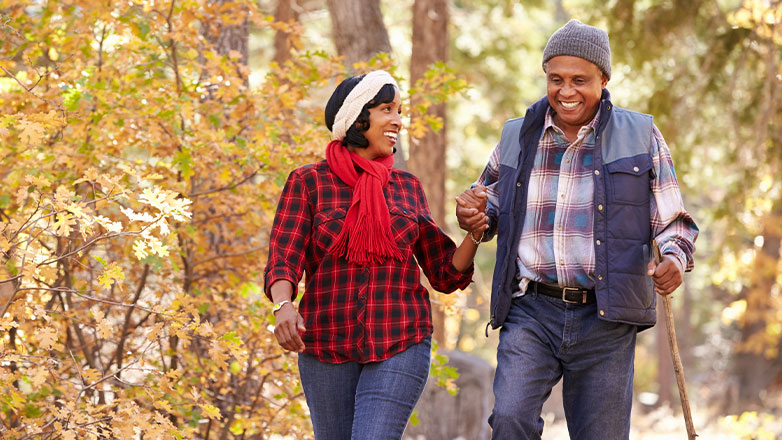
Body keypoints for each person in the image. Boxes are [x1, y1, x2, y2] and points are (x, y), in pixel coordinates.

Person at [455, 19, 699, 439]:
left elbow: (673, 221)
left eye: (579, 80)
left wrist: (675, 258)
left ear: (603, 79)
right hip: (531, 309)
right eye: (556, 79)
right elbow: (490, 204)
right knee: (510, 419)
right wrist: (473, 214)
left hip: (606, 315)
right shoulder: (517, 135)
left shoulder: (640, 135)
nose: (566, 92)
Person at [264, 70, 486, 440]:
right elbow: (283, 255)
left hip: (401, 339)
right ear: (357, 118)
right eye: (387, 109)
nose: (398, 120)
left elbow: (444, 273)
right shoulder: (308, 182)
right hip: (325, 343)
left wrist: (475, 235)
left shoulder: (407, 187)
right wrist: (283, 305)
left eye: (399, 110)